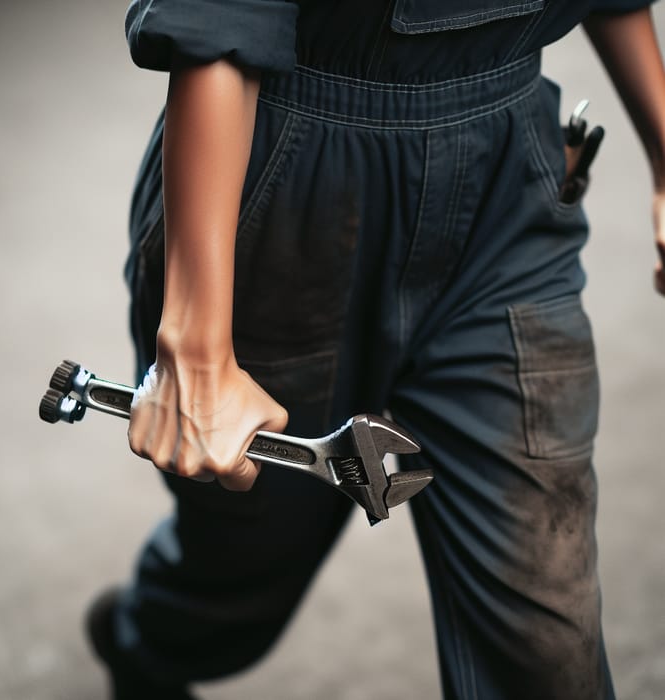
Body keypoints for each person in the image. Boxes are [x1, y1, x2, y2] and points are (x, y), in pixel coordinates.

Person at [86, 1, 665, 698]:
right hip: (285, 186)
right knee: (244, 570)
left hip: (507, 195)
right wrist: (197, 350)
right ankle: (147, 642)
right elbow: (222, 16)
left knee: (545, 633)